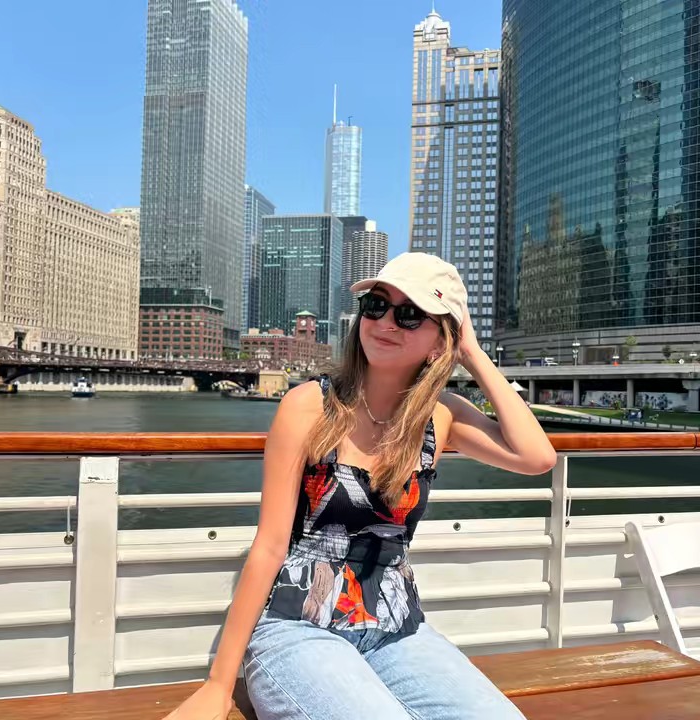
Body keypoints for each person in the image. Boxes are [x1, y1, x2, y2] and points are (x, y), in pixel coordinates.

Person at [163, 252, 556, 720]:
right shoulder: (310, 406)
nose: (386, 321)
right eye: (377, 305)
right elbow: (269, 546)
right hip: (299, 626)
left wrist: (470, 351)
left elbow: (537, 457)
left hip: (398, 631)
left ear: (440, 340)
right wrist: (219, 683)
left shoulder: (440, 415)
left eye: (410, 314)